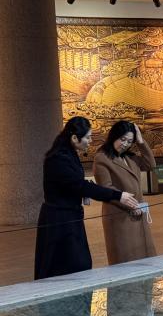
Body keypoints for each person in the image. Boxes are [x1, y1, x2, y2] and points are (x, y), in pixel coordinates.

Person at [34, 116, 139, 281]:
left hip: (69, 217)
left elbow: (74, 184)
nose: (91, 141)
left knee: (77, 264)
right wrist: (118, 195)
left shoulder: (69, 153)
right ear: (74, 138)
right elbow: (79, 185)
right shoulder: (58, 158)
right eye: (88, 137)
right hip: (59, 221)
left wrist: (82, 192)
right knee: (64, 268)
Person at [93, 121, 157, 265]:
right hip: (120, 215)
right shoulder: (102, 158)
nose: (125, 144)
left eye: (129, 141)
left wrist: (140, 142)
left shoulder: (129, 157)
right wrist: (131, 205)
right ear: (114, 136)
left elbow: (150, 165)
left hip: (138, 212)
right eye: (122, 139)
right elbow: (106, 187)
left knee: (144, 260)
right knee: (126, 260)